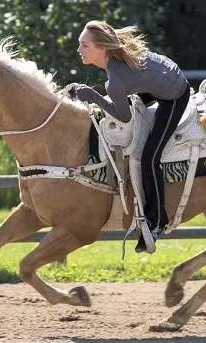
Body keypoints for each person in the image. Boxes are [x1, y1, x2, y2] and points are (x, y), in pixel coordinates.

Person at [74, 20, 190, 253]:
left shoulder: (115, 82)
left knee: (149, 158)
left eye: (84, 45)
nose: (78, 50)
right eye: (80, 44)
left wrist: (93, 96)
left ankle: (156, 223)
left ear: (102, 50)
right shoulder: (115, 69)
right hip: (162, 78)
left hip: (175, 96)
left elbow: (124, 117)